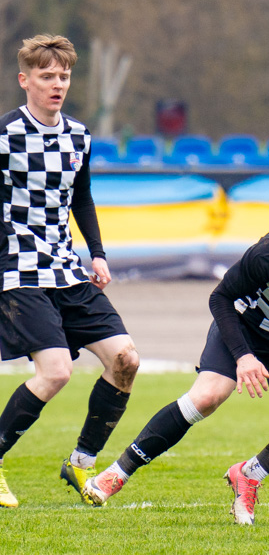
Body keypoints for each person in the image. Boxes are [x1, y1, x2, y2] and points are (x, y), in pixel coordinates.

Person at [82, 204, 269, 526]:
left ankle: (250, 475)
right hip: (243, 323)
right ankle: (116, 473)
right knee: (207, 397)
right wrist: (243, 356)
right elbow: (220, 297)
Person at [0, 35, 140, 509]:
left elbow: (81, 197)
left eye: (63, 76)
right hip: (19, 267)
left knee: (126, 360)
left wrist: (96, 253)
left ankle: (80, 462)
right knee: (56, 371)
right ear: (25, 80)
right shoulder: (4, 136)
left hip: (66, 267)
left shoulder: (79, 135)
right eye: (46, 76)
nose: (57, 84)